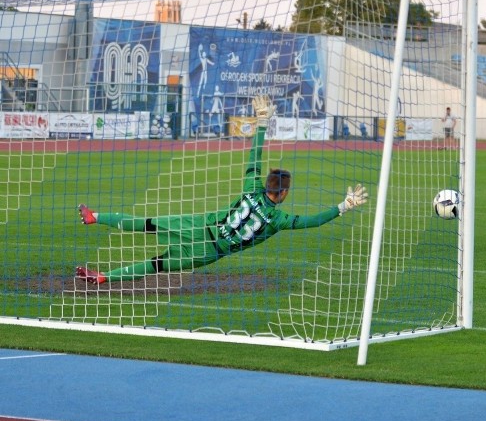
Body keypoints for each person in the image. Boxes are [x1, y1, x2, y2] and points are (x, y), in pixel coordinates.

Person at [74, 95, 368, 285]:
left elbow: (255, 155)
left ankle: (94, 217)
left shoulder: (252, 188)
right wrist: (344, 206)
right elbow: (311, 222)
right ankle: (103, 278)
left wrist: (262, 122)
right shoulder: (278, 220)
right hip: (210, 249)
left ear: (266, 183)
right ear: (285, 194)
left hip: (201, 224)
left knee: (148, 224)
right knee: (157, 265)